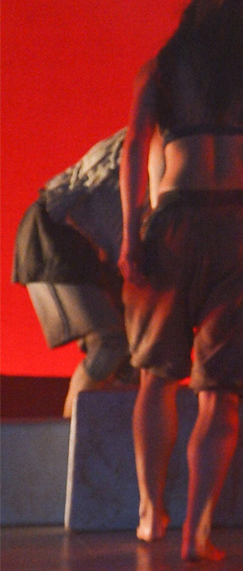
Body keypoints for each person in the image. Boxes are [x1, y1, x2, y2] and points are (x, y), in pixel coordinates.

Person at [119, 0, 243, 560]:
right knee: (222, 392)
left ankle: (151, 512)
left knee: (156, 375)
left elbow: (134, 147)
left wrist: (130, 234)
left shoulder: (163, 66)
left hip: (176, 221)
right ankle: (197, 531)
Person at [13, 133, 140, 405]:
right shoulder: (147, 142)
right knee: (109, 346)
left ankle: (117, 428)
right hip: (56, 231)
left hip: (88, 244)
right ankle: (71, 428)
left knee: (135, 355)